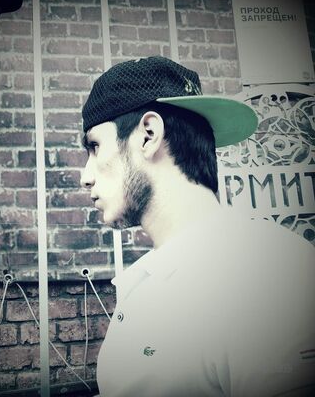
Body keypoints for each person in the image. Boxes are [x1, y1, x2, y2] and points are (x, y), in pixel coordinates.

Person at [80, 56, 315, 397]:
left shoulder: (268, 273)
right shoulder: (148, 277)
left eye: (95, 146)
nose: (85, 176)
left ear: (148, 135)